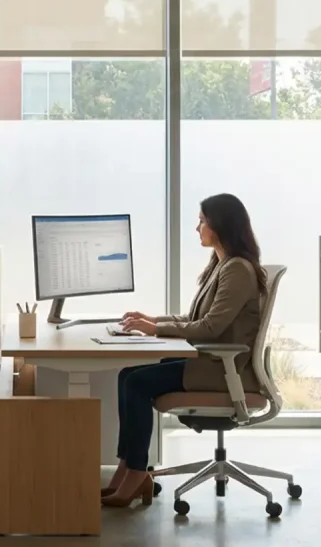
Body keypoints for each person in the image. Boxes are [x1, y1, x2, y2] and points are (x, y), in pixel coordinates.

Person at [101, 193, 267, 508]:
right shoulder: (222, 265)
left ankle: (136, 473)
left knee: (136, 383)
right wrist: (152, 320)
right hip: (209, 361)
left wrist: (155, 330)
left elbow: (210, 328)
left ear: (220, 225)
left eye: (202, 221)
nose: (197, 228)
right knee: (127, 375)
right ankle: (127, 468)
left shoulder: (237, 269)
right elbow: (195, 319)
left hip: (220, 369)